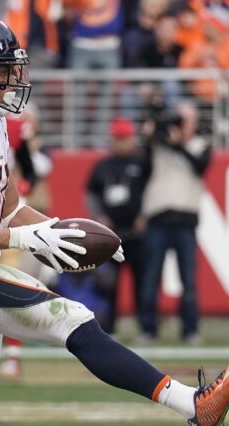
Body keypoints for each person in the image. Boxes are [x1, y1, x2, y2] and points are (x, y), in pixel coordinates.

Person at [0, 15, 229, 426]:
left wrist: (60, 233)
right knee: (74, 320)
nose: (9, 80)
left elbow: (10, 207)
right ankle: (194, 405)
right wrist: (24, 239)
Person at [138, 100, 211, 345]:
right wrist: (151, 137)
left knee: (188, 280)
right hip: (158, 218)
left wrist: (177, 144)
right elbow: (142, 170)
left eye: (186, 121)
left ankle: (190, 329)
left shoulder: (200, 145)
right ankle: (148, 329)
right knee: (150, 277)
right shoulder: (157, 146)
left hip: (185, 221)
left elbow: (200, 166)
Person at [85, 117, 149, 333]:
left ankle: (146, 327)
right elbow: (91, 194)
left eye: (125, 138)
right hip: (112, 234)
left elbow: (152, 190)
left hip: (137, 233)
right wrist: (100, 216)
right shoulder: (103, 166)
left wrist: (144, 215)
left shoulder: (142, 163)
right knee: (109, 284)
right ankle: (109, 326)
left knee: (143, 281)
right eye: (118, 139)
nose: (122, 143)